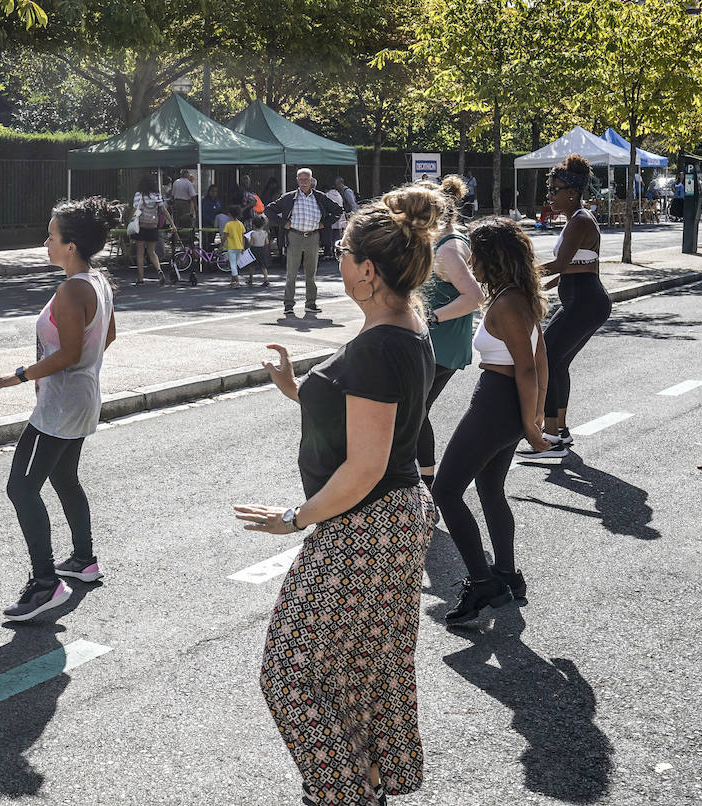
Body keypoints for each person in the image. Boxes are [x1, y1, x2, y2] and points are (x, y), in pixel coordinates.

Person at [235, 184, 442, 806]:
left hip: (366, 524)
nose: (338, 261)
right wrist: (299, 390)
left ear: (368, 271)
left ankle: (343, 793)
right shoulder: (406, 326)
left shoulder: (379, 345)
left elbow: (366, 465)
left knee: (290, 672)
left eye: (343, 254)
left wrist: (294, 517)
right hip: (390, 520)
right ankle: (366, 782)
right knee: (359, 665)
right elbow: (370, 419)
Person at [0, 197, 119, 622]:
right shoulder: (97, 281)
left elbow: (69, 353)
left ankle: (45, 583)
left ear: (70, 246)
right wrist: (73, 370)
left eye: (51, 237)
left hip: (60, 407)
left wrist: (20, 375)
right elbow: (106, 336)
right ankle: (83, 560)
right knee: (63, 477)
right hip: (81, 398)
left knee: (21, 488)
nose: (46, 243)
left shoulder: (72, 289)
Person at [432, 218, 549, 624]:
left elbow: (529, 367)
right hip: (506, 404)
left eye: (474, 256)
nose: (470, 263)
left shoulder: (507, 303)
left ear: (490, 257)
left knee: (446, 490)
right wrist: (533, 413)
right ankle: (507, 575)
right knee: (489, 487)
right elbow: (540, 358)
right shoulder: (515, 296)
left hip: (497, 403)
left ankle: (483, 584)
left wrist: (532, 424)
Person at [517, 154, 611, 460]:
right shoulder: (578, 219)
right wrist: (540, 287)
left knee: (545, 360)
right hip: (586, 301)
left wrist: (520, 275)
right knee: (557, 363)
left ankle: (551, 440)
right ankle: (560, 431)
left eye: (554, 190)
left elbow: (559, 264)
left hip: (585, 302)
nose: (550, 196)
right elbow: (576, 268)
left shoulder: (580, 220)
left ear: (571, 192)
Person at [417, 176, 484, 487]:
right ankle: (422, 481)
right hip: (435, 342)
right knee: (413, 411)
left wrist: (431, 318)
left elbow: (474, 297)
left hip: (442, 345)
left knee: (414, 412)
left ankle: (426, 484)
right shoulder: (436, 240)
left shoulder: (449, 248)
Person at [264, 167, 344, 315]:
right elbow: (268, 210)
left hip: (313, 237)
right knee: (291, 274)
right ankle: (288, 304)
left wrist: (324, 223)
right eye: (300, 179)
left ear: (311, 180)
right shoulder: (289, 197)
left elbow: (338, 210)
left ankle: (310, 303)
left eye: (306, 179)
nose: (303, 182)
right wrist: (283, 223)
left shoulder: (320, 197)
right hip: (294, 236)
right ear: (297, 181)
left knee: (311, 273)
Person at [131, 177, 171, 285]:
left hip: (141, 226)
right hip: (153, 226)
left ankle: (140, 278)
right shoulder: (157, 196)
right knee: (152, 252)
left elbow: (134, 210)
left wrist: (130, 222)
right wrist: (172, 224)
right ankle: (159, 270)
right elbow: (164, 211)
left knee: (140, 253)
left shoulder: (139, 195)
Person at [222, 205, 246, 288]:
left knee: (232, 265)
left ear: (230, 214)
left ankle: (237, 282)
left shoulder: (228, 224)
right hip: (239, 247)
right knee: (235, 264)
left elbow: (225, 236)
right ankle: (232, 281)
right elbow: (243, 237)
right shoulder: (240, 224)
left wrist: (221, 245)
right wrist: (243, 246)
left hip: (231, 247)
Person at [246, 216, 270, 288]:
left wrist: (248, 240)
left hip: (254, 249)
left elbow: (251, 243)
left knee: (252, 265)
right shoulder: (265, 233)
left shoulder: (252, 233)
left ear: (253, 225)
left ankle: (250, 279)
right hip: (262, 249)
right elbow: (267, 242)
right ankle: (266, 279)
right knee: (263, 265)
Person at [200, 184, 222, 250]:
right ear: (209, 191)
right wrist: (210, 221)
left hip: (215, 225)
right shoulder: (205, 201)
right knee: (206, 242)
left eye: (216, 191)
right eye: (212, 191)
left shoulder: (217, 201)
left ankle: (211, 253)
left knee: (212, 241)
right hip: (206, 224)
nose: (214, 193)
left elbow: (219, 211)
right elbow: (203, 214)